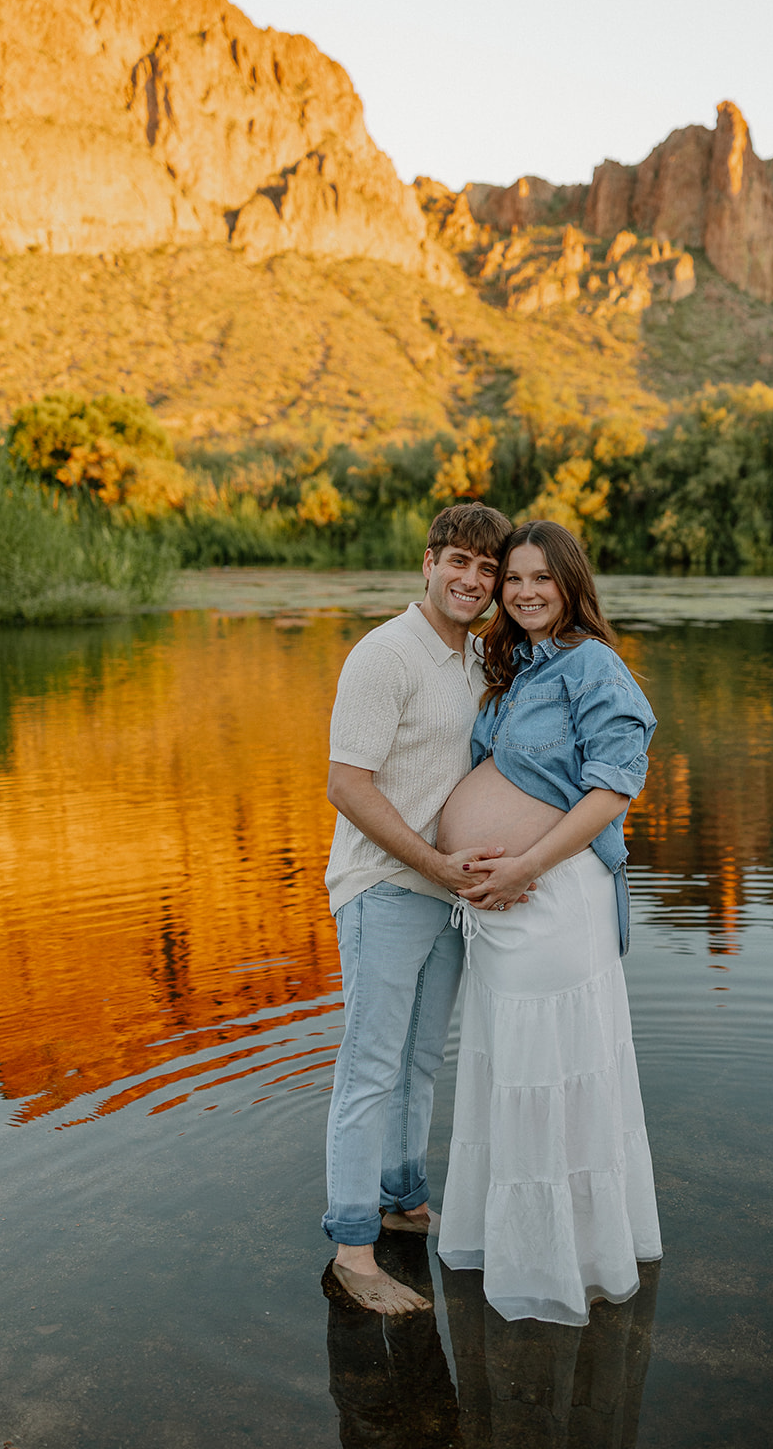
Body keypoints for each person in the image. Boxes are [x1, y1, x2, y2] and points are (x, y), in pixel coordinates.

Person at [436, 519, 663, 1324]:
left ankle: (563, 1262)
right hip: (504, 913)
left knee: (550, 1067)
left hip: (556, 899)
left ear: (570, 584)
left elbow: (611, 787)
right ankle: (525, 1244)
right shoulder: (520, 664)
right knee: (512, 1068)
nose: (524, 592)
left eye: (541, 578)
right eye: (513, 580)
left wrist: (526, 864)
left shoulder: (593, 663)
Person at [322, 501, 514, 1315]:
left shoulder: (474, 661)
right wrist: (435, 860)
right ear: (428, 563)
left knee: (420, 1064)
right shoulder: (385, 654)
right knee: (370, 1068)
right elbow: (346, 785)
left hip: (447, 897)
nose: (471, 580)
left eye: (488, 569)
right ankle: (353, 1249)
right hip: (384, 891)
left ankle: (404, 1202)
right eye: (458, 561)